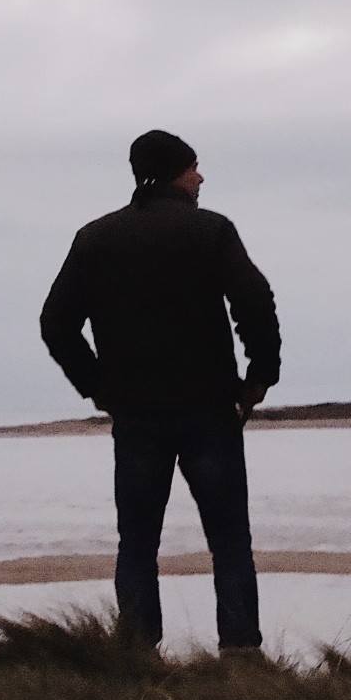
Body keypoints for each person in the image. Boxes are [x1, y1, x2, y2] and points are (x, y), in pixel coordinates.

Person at [40, 130, 280, 654]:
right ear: (175, 173)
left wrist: (96, 386)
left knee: (138, 545)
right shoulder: (210, 230)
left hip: (137, 413)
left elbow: (56, 323)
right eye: (194, 167)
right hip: (210, 409)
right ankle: (240, 654)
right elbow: (255, 301)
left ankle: (137, 654)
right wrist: (260, 376)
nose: (201, 177)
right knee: (230, 542)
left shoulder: (95, 238)